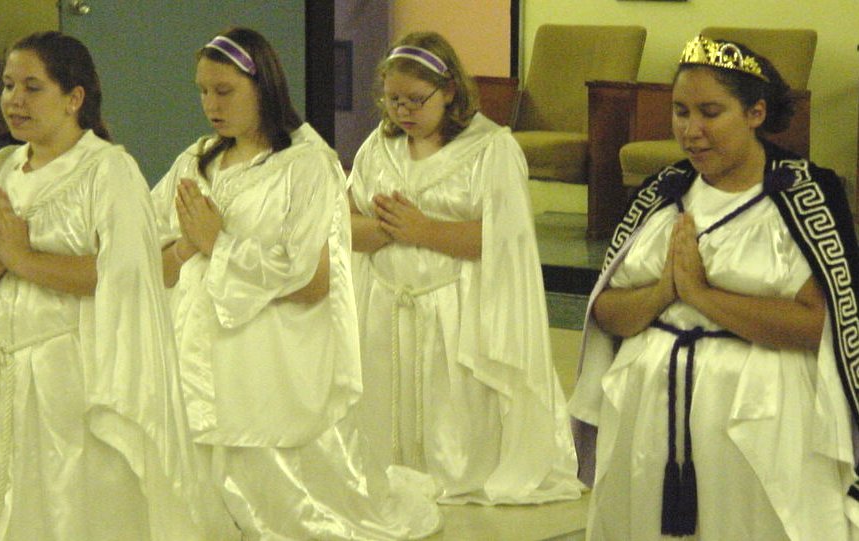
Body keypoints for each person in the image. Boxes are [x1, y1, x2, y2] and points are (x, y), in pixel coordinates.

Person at [0, 32, 237, 540]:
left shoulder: (108, 171)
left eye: (32, 87)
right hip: (2, 375)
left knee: (72, 512)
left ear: (74, 98)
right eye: (8, 86)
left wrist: (23, 259)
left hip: (73, 380)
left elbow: (124, 274)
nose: (14, 100)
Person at [151, 27, 441, 539]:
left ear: (262, 87)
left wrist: (219, 244)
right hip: (194, 353)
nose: (211, 104)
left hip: (269, 367)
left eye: (225, 91)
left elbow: (314, 280)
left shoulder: (306, 164)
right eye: (203, 91)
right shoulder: (195, 162)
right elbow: (150, 261)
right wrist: (185, 249)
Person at [570, 35, 859, 540]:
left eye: (710, 112)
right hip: (649, 414)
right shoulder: (660, 194)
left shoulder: (805, 194)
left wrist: (702, 296)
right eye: (680, 112)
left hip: (762, 419)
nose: (691, 130)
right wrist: (663, 292)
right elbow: (606, 312)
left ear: (755, 113)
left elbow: (820, 324)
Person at [348, 31, 583, 505]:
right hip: (387, 303)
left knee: (452, 408)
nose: (403, 111)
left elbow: (506, 239)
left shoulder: (490, 149)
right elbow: (345, 223)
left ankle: (460, 466)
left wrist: (422, 230)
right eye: (393, 100)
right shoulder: (378, 148)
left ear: (449, 90)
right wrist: (389, 229)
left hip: (457, 306)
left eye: (416, 99)